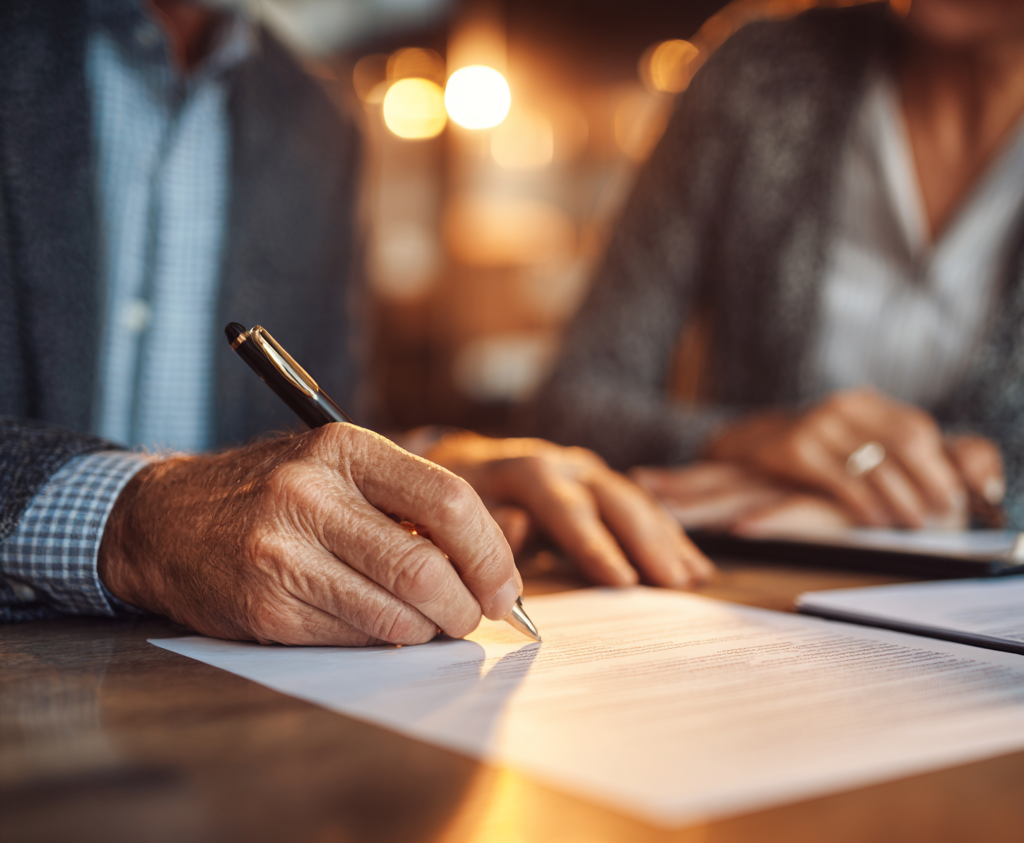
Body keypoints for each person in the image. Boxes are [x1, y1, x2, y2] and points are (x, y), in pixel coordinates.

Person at [0, 0, 712, 642]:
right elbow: (213, 499)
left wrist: (425, 466)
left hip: (213, 701)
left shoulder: (315, 118)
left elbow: (314, 430)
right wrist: (135, 521)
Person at [536, 0, 1024, 537]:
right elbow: (571, 401)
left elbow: (991, 489)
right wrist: (738, 440)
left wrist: (964, 499)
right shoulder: (761, 75)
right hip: (749, 579)